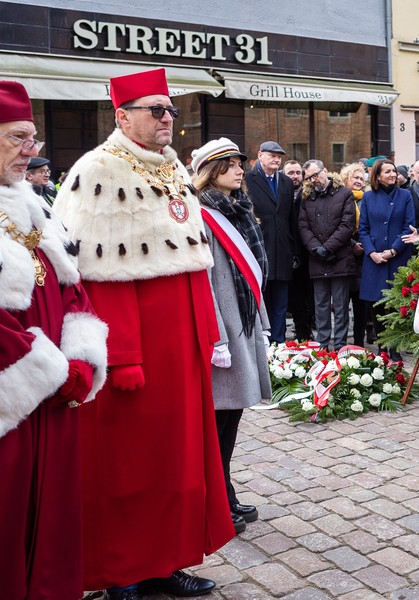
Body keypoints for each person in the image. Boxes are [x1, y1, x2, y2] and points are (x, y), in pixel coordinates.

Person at [53, 67, 234, 600]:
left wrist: (207, 333)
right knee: (128, 465)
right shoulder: (97, 171)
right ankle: (121, 569)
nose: (167, 119)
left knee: (176, 462)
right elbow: (100, 281)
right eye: (156, 110)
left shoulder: (174, 168)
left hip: (181, 345)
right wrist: (124, 355)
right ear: (122, 115)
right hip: (136, 351)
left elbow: (192, 264)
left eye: (171, 110)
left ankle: (165, 559)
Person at [0, 80, 108, 600]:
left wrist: (82, 356)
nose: (31, 151)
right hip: (11, 401)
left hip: (55, 397)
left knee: (55, 523)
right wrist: (49, 370)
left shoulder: (38, 206)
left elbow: (71, 286)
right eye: (19, 137)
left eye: (34, 139)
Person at [191, 138, 271, 536]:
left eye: (241, 163)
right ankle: (218, 494)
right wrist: (216, 337)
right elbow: (204, 281)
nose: (241, 170)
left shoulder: (238, 209)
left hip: (243, 317)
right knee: (221, 415)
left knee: (233, 414)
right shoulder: (201, 215)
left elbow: (252, 270)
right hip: (223, 325)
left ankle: (226, 488)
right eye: (232, 165)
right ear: (212, 170)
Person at [358, 159, 415, 360]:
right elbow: (363, 229)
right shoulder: (368, 197)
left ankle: (394, 347)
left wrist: (394, 250)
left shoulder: (405, 195)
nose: (393, 174)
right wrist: (371, 252)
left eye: (394, 171)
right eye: (388, 171)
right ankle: (381, 346)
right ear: (378, 176)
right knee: (378, 304)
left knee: (396, 304)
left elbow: (409, 226)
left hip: (397, 257)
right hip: (374, 259)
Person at [298, 159, 357, 350]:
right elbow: (303, 226)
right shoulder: (306, 198)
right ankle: (322, 343)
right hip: (317, 259)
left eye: (316, 175)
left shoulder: (344, 194)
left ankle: (340, 344)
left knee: (340, 306)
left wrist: (329, 248)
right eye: (309, 178)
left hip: (340, 257)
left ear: (325, 171)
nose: (314, 180)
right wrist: (317, 249)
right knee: (321, 304)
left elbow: (347, 225)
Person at [245, 140, 296, 343]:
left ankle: (279, 344)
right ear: (260, 156)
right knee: (261, 302)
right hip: (259, 250)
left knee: (281, 304)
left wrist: (295, 251)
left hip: (283, 251)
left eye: (279, 156)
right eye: (272, 155)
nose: (276, 159)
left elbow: (291, 217)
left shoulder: (285, 182)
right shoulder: (248, 180)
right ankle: (262, 343)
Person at [339, 162, 373, 346]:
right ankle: (342, 342)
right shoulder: (339, 198)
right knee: (342, 304)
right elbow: (335, 226)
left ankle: (359, 342)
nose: (359, 181)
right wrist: (352, 244)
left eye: (362, 178)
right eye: (355, 177)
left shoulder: (367, 199)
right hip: (343, 254)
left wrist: (364, 245)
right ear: (346, 179)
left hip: (363, 257)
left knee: (361, 303)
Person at [284, 158, 314, 341]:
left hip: (306, 253)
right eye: (290, 173)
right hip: (286, 253)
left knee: (305, 299)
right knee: (289, 298)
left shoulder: (308, 195)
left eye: (297, 173)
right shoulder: (280, 194)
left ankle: (305, 333)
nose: (295, 176)